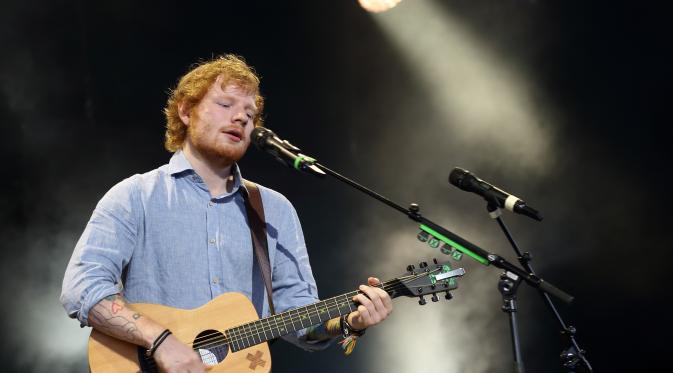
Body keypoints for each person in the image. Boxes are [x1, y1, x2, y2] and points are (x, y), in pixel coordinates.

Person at [60, 54, 393, 372]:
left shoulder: (275, 210)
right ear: (186, 111)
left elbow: (300, 321)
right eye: (225, 105)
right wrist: (160, 340)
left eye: (250, 114)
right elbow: (83, 287)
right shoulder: (135, 196)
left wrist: (349, 322)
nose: (241, 118)